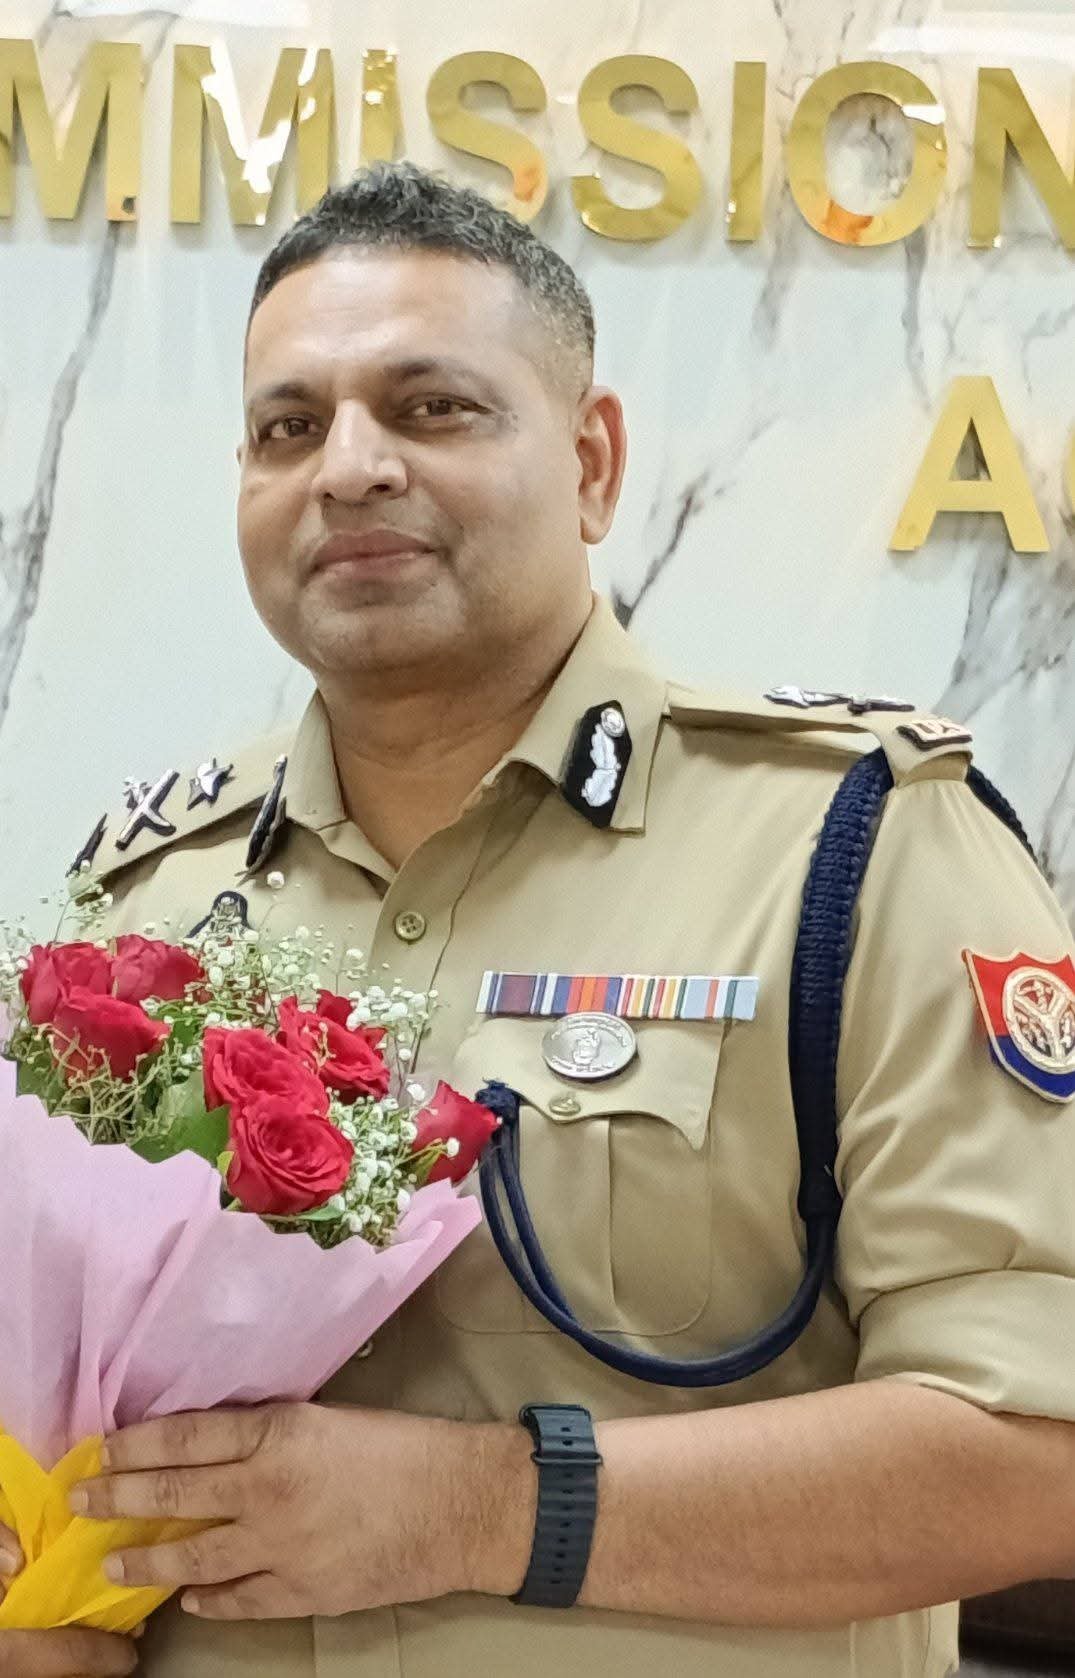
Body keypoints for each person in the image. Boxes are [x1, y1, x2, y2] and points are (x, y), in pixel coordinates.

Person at [3, 160, 1075, 1678]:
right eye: (288, 427)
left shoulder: (857, 852)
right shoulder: (141, 906)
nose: (348, 468)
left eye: (431, 407)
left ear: (591, 462)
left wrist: (483, 1510)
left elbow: (1037, 1449)